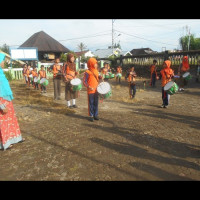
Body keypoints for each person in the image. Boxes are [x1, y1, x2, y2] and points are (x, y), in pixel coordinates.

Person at [0, 53, 25, 150]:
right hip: (2, 102)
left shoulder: (1, 73)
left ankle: (15, 138)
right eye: (2, 60)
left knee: (11, 120)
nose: (3, 63)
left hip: (7, 100)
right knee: (3, 123)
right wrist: (1, 105)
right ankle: (4, 142)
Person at [83, 57, 100, 122]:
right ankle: (91, 115)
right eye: (95, 63)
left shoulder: (96, 71)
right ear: (91, 64)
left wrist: (100, 77)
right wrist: (89, 87)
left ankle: (96, 115)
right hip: (90, 90)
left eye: (96, 63)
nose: (96, 65)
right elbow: (84, 81)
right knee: (91, 103)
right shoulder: (87, 72)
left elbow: (97, 78)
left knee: (96, 103)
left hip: (96, 90)